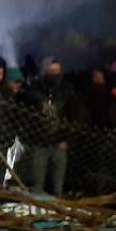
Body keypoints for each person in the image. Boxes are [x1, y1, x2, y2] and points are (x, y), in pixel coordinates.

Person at [24, 58, 78, 197]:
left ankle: (57, 212)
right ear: (45, 71)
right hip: (40, 141)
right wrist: (31, 137)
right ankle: (38, 210)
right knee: (37, 182)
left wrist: (67, 139)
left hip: (60, 141)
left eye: (57, 71)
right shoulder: (34, 89)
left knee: (57, 183)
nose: (54, 74)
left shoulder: (66, 90)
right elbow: (26, 114)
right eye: (51, 71)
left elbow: (73, 116)